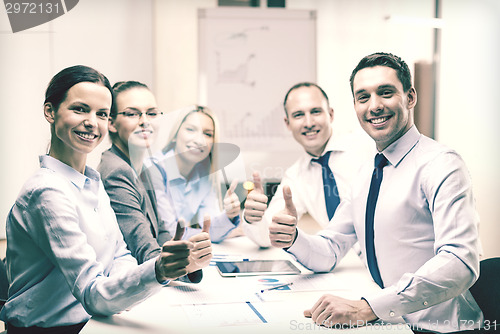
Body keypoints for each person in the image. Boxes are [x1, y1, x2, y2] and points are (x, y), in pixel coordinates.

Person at [269, 53, 482, 333]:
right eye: (363, 97)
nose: (375, 106)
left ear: (410, 97)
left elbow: (460, 262)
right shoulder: (367, 173)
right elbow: (330, 250)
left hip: (441, 328)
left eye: (385, 92)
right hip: (390, 323)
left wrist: (367, 307)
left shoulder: (441, 164)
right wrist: (293, 238)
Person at [0, 66, 193, 333]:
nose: (93, 122)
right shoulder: (46, 192)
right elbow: (93, 293)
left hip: (96, 322)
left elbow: (121, 254)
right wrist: (158, 270)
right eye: (80, 109)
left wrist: (118, 291)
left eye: (101, 114)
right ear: (50, 112)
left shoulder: (91, 181)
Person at [97, 81, 212, 283]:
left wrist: (186, 258)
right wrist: (183, 263)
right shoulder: (116, 171)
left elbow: (160, 231)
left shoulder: (142, 168)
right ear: (112, 123)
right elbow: (142, 246)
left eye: (151, 113)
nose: (144, 121)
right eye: (132, 113)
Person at [243, 82, 372, 247]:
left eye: (316, 112)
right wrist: (253, 218)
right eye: (298, 115)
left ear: (331, 114)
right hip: (345, 263)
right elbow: (267, 236)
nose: (309, 122)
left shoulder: (367, 145)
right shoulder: (296, 176)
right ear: (287, 123)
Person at [146, 105, 241, 243]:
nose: (199, 140)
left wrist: (230, 216)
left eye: (208, 134)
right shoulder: (154, 169)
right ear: (175, 135)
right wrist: (216, 233)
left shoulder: (204, 175)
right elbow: (169, 233)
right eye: (191, 130)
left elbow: (209, 228)